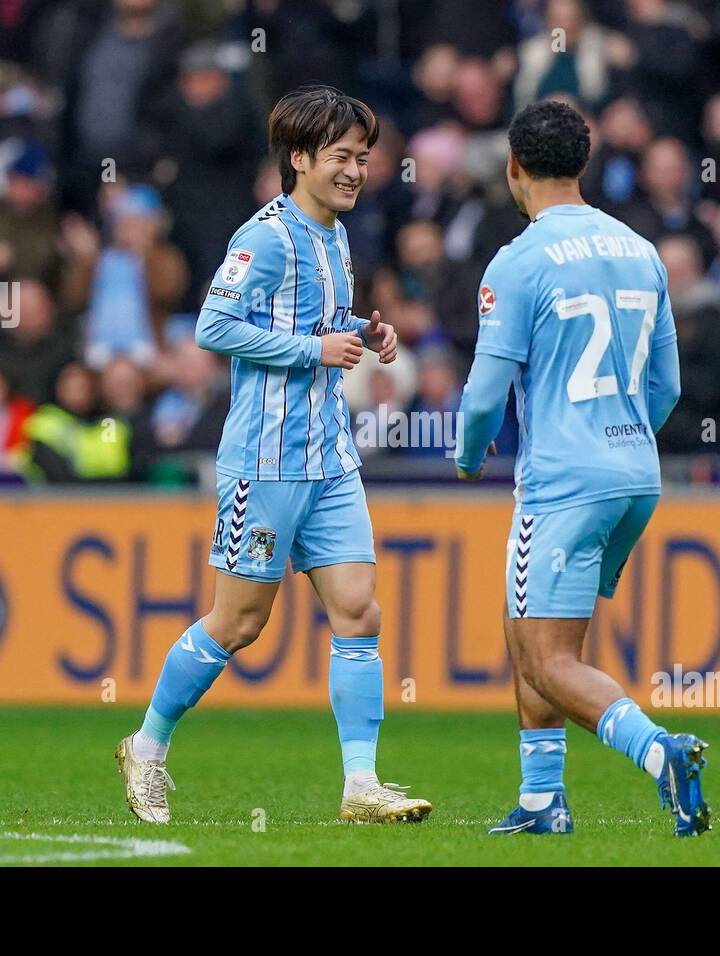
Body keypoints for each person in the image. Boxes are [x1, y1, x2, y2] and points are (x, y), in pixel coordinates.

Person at [116, 86, 432, 826]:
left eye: (363, 156)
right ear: (299, 159)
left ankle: (361, 785)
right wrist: (312, 349)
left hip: (329, 457)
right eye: (342, 157)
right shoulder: (263, 237)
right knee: (238, 623)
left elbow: (312, 323)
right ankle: (148, 746)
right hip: (265, 461)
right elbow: (212, 327)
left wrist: (364, 333)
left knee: (358, 611)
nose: (356, 170)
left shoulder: (334, 235)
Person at [454, 100, 709, 837]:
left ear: (513, 168)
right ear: (584, 166)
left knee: (547, 656)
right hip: (636, 473)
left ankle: (661, 753)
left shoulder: (518, 260)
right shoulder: (642, 250)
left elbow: (480, 397)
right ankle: (541, 800)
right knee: (529, 632)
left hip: (565, 480)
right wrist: (622, 441)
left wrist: (470, 459)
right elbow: (667, 386)